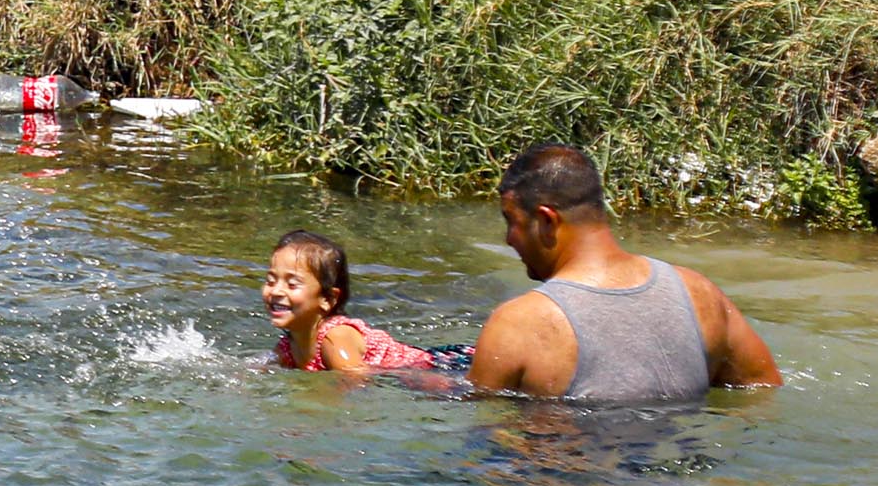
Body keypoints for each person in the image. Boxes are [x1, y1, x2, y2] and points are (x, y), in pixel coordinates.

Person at [466, 143, 780, 402]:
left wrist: (422, 379)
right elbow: (763, 389)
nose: (509, 239)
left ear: (547, 221)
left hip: (561, 473)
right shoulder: (698, 293)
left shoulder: (518, 323)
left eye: (511, 221)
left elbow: (480, 423)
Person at [258, 230, 453, 378]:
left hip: (436, 367)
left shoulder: (335, 337)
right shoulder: (288, 345)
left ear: (328, 299)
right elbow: (256, 369)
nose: (276, 291)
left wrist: (316, 400)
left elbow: (355, 380)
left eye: (292, 284)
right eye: (271, 281)